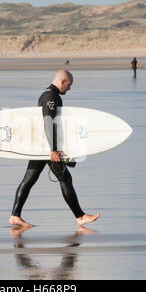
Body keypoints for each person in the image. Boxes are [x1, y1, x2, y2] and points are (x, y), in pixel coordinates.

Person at [9, 69, 100, 227]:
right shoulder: (51, 97)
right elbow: (48, 121)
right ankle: (80, 217)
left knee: (29, 180)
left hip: (41, 146)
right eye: (69, 85)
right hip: (47, 148)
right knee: (65, 179)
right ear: (62, 81)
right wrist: (53, 150)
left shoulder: (48, 94)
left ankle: (15, 216)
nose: (70, 88)